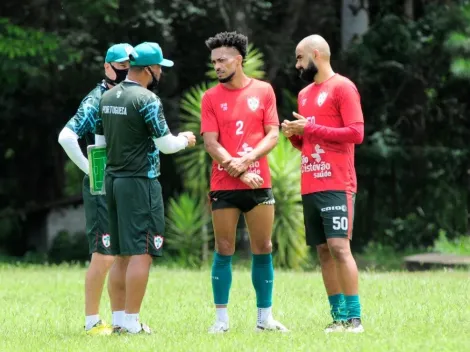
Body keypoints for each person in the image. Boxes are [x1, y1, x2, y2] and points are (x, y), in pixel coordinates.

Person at [94, 41, 196, 334]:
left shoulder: (107, 96)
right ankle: (133, 322)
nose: (161, 73)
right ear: (149, 69)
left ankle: (118, 321)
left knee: (122, 253)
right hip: (140, 183)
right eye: (160, 68)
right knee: (142, 252)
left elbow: (100, 145)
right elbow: (165, 145)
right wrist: (185, 139)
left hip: (112, 182)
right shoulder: (147, 100)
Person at [200, 31, 288, 333]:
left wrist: (246, 161)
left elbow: (273, 134)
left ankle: (265, 318)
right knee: (224, 247)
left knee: (263, 245)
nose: (217, 66)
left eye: (222, 60)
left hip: (258, 183)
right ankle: (221, 321)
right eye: (214, 62)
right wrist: (236, 168)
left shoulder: (264, 91)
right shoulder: (210, 97)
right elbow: (210, 143)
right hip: (224, 185)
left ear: (238, 60)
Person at [282, 34, 365, 333]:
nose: (297, 64)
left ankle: (355, 319)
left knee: (339, 247)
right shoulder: (304, 95)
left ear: (317, 55)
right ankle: (338, 317)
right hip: (311, 183)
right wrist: (294, 134)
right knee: (323, 252)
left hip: (337, 182)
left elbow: (356, 133)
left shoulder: (343, 87)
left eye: (299, 57)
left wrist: (311, 127)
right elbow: (309, 142)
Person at [58, 43, 134, 335]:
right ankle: (91, 322)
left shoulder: (130, 97)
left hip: (123, 181)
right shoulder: (97, 98)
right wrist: (92, 171)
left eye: (131, 68)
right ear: (107, 68)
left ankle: (120, 320)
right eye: (121, 68)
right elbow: (66, 136)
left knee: (121, 253)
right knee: (103, 255)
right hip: (102, 182)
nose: (126, 73)